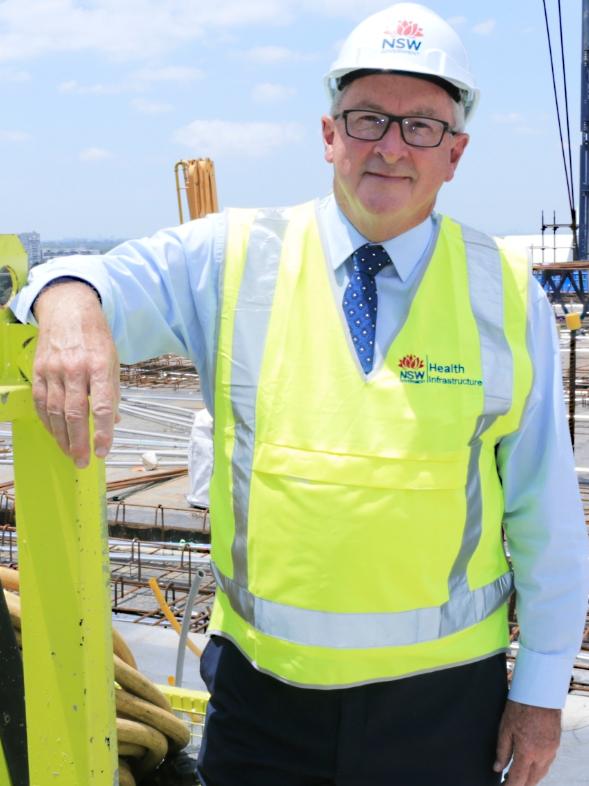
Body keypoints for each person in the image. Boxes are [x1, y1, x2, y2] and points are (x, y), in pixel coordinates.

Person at [12, 3, 589, 785]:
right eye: (366, 119)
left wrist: (541, 692)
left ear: (454, 154)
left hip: (443, 706)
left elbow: (543, 512)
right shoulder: (233, 255)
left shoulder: (505, 291)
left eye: (420, 126)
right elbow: (97, 277)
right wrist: (70, 305)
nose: (389, 145)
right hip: (262, 700)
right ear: (328, 135)